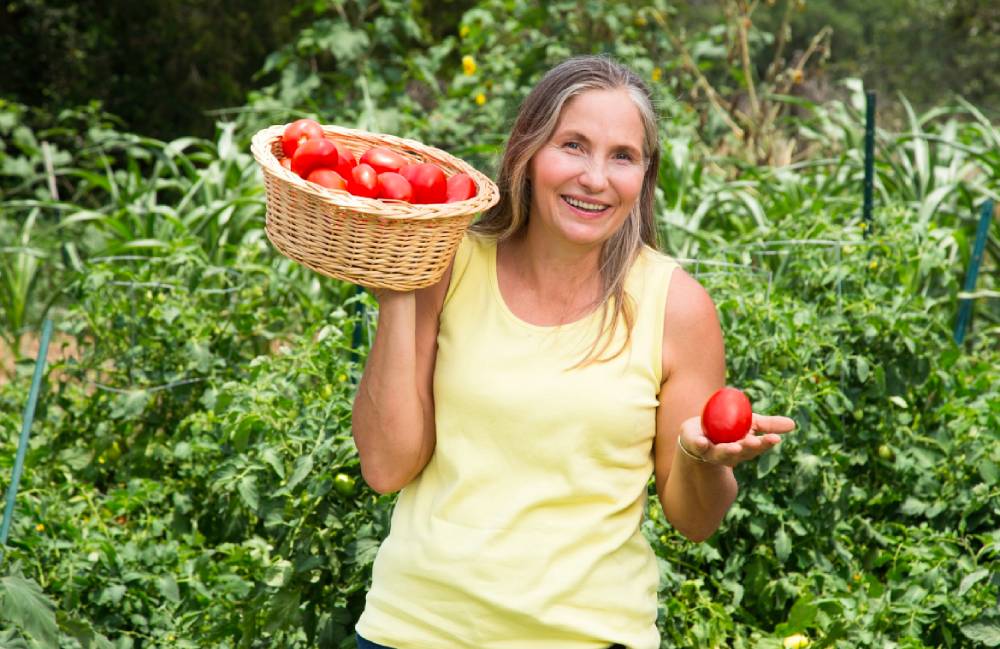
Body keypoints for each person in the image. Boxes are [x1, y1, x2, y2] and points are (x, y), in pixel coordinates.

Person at [350, 54, 796, 649]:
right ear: (527, 155)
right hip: (415, 631)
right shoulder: (450, 263)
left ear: (644, 176)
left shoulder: (677, 307)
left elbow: (695, 520)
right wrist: (396, 297)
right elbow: (386, 468)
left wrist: (700, 456)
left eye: (622, 156)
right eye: (573, 146)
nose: (595, 178)